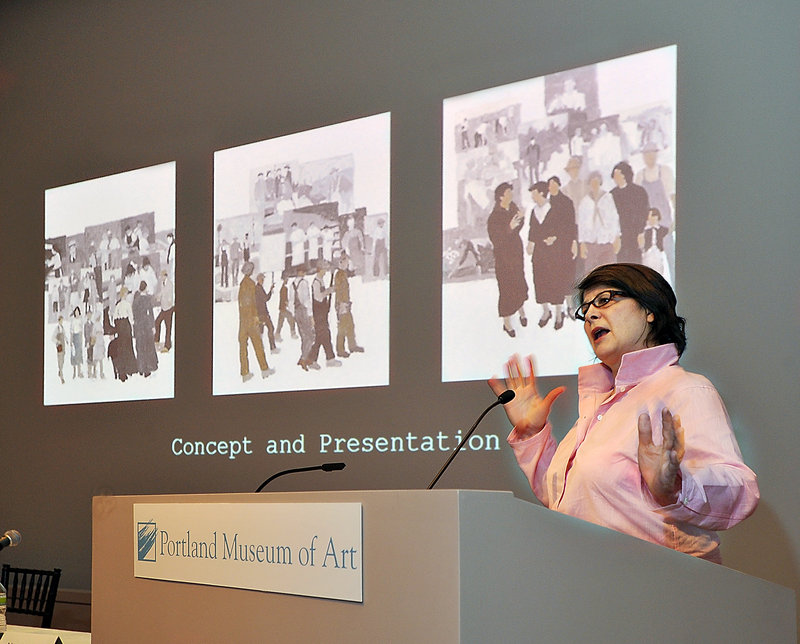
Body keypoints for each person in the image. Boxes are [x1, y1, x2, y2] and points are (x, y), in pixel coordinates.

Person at [489, 263, 759, 563]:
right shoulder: (602, 403)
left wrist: (674, 486)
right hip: (589, 581)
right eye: (586, 309)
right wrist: (532, 435)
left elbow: (740, 491)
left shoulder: (684, 389)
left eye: (605, 300)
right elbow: (570, 501)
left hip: (661, 586)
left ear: (649, 309)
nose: (590, 314)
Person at [527, 179, 576, 330]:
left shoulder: (555, 209)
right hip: (540, 252)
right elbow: (532, 230)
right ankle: (545, 312)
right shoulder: (534, 211)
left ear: (541, 193)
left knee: (555, 281)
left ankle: (558, 314)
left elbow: (563, 229)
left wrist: (555, 237)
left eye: (534, 194)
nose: (532, 197)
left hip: (554, 252)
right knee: (540, 280)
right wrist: (530, 243)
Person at [487, 182, 528, 337]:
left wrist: (521, 219)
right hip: (504, 259)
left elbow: (519, 226)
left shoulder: (513, 208)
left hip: (516, 254)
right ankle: (507, 323)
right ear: (500, 196)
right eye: (508, 193)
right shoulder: (494, 217)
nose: (511, 195)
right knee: (506, 288)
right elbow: (496, 239)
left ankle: (521, 310)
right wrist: (509, 228)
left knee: (519, 283)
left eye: (512, 192)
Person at [238, 261, 274, 382]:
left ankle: (245, 373)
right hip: (251, 321)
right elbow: (251, 303)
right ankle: (265, 370)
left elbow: (242, 304)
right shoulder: (251, 285)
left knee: (243, 347)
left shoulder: (242, 284)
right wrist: (255, 316)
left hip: (243, 321)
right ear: (251, 271)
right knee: (258, 345)